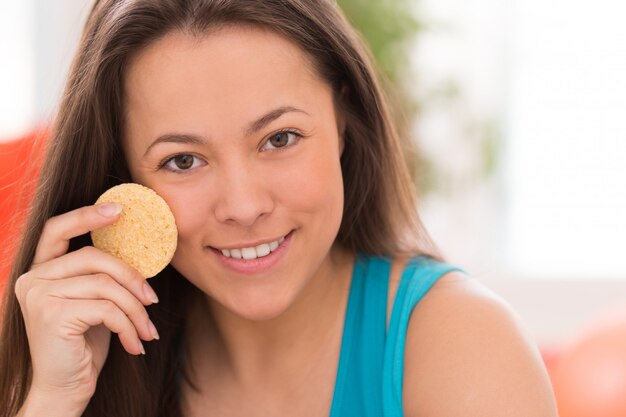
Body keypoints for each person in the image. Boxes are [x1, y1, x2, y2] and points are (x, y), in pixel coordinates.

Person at [0, 1, 558, 416]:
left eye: (280, 138)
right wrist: (52, 400)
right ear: (122, 179)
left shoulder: (465, 351)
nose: (244, 206)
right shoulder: (87, 363)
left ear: (343, 119)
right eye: (183, 161)